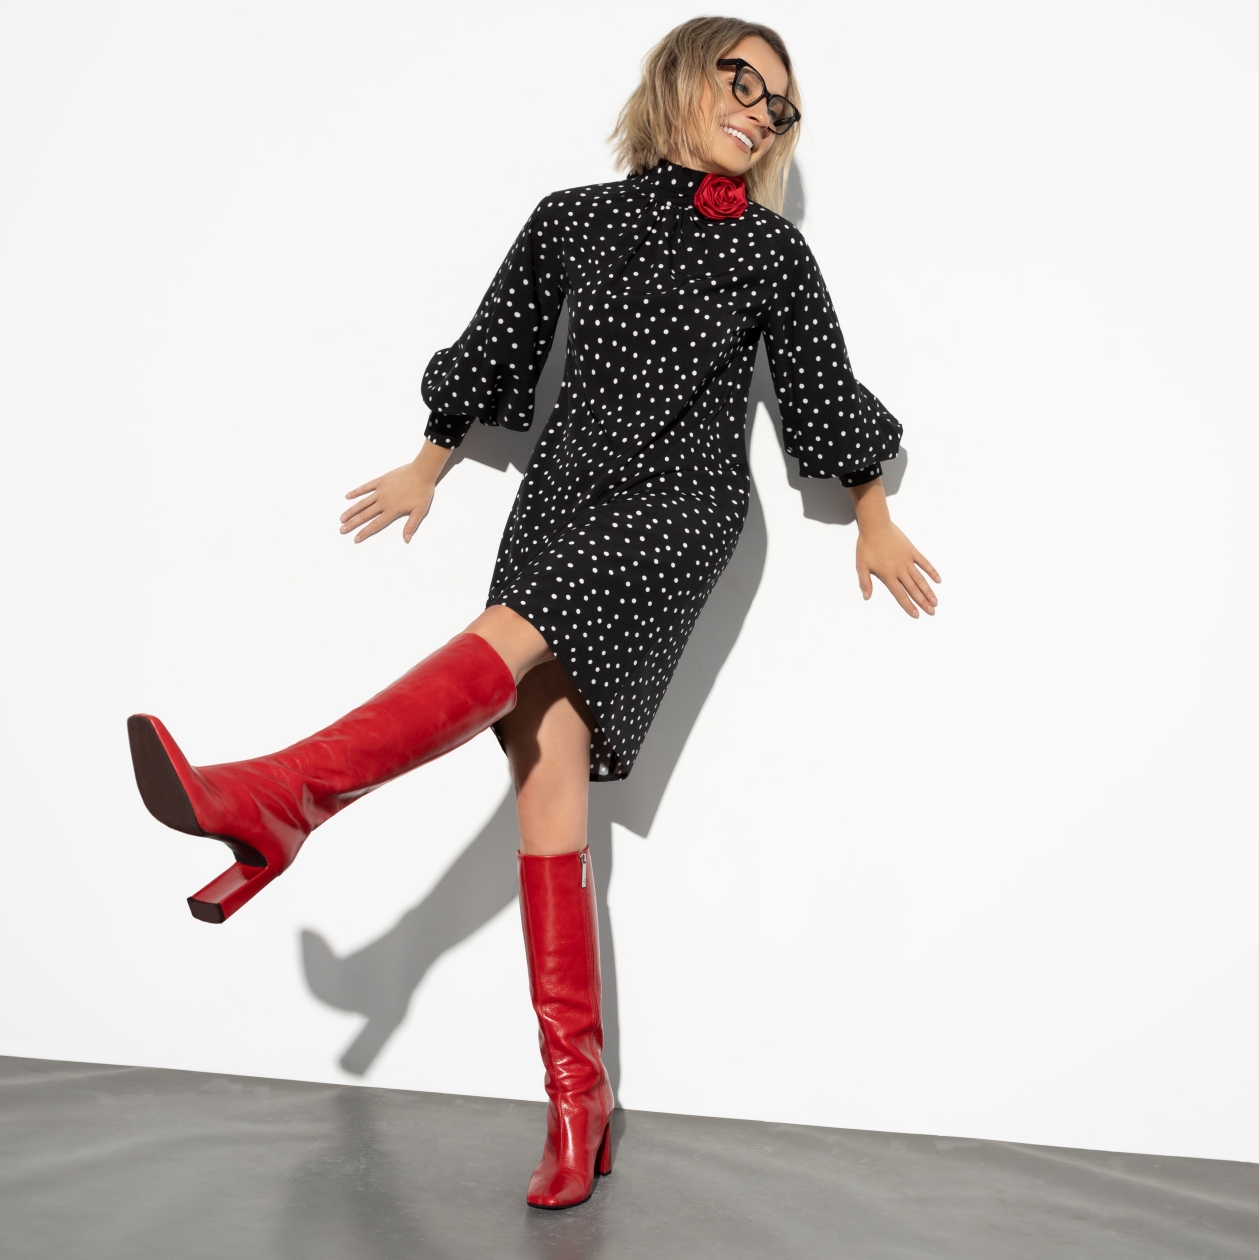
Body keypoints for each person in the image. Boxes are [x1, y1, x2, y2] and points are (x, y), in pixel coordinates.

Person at [127, 16, 939, 1210]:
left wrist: (872, 512)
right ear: (682, 76)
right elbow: (498, 343)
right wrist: (429, 464)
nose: (762, 112)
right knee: (548, 790)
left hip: (678, 511)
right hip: (559, 503)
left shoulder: (770, 251)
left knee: (507, 653)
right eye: (743, 82)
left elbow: (821, 383)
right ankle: (577, 1104)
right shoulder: (569, 219)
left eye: (782, 105)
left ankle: (283, 798)